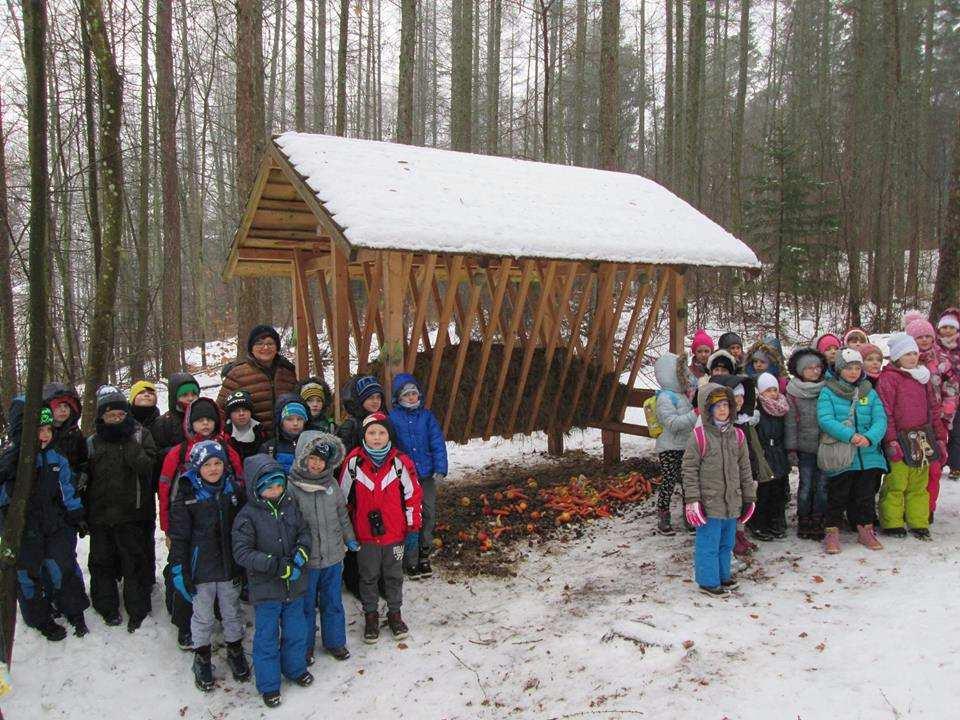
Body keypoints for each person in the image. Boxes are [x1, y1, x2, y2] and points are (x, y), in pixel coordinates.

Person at [158, 397, 243, 649]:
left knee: (224, 575)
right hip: (188, 523)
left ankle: (225, 623)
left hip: (222, 521)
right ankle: (185, 625)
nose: (205, 424)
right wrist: (167, 527)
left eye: (209, 420)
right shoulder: (179, 452)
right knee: (188, 576)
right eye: (199, 420)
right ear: (190, 423)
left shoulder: (227, 449)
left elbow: (240, 481)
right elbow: (165, 489)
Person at [232, 454, 314, 708]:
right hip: (267, 589)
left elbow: (304, 531)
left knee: (296, 631)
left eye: (278, 485)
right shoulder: (247, 517)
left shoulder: (290, 505)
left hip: (295, 586)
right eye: (268, 487)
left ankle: (295, 667)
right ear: (256, 489)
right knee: (267, 637)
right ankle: (268, 684)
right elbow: (243, 552)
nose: (275, 490)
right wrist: (277, 566)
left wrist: (302, 551)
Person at [168, 440, 250, 692]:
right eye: (207, 465)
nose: (213, 469)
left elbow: (243, 527)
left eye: (218, 463)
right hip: (200, 568)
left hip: (228, 566)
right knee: (202, 615)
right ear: (196, 467)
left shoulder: (233, 491)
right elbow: (180, 536)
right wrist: (179, 568)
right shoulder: (187, 494)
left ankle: (235, 648)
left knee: (231, 610)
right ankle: (201, 654)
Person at [3, 404, 90, 640]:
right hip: (25, 528)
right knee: (28, 574)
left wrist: (77, 514)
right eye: (38, 430)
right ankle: (39, 618)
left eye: (48, 430)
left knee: (62, 565)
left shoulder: (55, 457)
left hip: (54, 523)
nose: (45, 435)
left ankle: (73, 609)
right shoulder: (11, 461)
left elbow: (66, 488)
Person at [340, 413, 422, 644]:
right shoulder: (354, 461)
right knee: (368, 577)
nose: (377, 438)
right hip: (365, 535)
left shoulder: (400, 462)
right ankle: (371, 615)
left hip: (394, 533)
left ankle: (395, 613)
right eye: (371, 433)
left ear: (389, 435)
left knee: (394, 575)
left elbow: (413, 495)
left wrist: (412, 527)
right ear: (363, 435)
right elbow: (342, 499)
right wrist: (346, 533)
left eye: (381, 433)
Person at [85, 386, 157, 632]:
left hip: (132, 514)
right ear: (101, 417)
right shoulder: (93, 442)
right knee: (101, 562)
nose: (115, 419)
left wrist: (130, 446)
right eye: (109, 415)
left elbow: (149, 466)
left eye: (119, 414)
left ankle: (138, 610)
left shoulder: (140, 435)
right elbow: (87, 478)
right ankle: (107, 607)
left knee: (134, 562)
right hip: (101, 515)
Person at [287, 432, 356, 665]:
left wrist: (349, 538)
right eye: (312, 458)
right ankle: (305, 646)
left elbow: (341, 514)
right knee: (305, 606)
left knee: (333, 602)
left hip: (334, 556)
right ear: (302, 458)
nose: (317, 464)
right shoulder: (292, 487)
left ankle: (335, 641)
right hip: (307, 560)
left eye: (322, 460)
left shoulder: (332, 484)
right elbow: (288, 525)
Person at [681, 384, 755, 597]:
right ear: (707, 409)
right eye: (717, 406)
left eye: (726, 405)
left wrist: (749, 497)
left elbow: (745, 468)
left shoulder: (738, 436)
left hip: (731, 502)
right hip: (709, 503)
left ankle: (723, 575)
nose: (723, 410)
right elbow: (689, 469)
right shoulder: (699, 437)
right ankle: (708, 580)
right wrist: (693, 500)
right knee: (708, 543)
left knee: (727, 542)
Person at [876, 333, 948, 540]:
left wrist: (939, 437)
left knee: (919, 483)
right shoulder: (889, 378)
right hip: (899, 438)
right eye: (907, 354)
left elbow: (933, 408)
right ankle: (892, 521)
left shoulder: (923, 377)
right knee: (897, 483)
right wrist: (890, 439)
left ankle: (918, 520)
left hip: (922, 438)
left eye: (915, 353)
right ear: (897, 356)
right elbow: (886, 411)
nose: (912, 358)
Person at [817, 348, 888, 553]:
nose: (854, 372)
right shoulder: (828, 392)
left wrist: (870, 438)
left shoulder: (869, 391)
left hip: (868, 454)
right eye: (849, 368)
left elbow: (880, 419)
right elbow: (825, 419)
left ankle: (865, 531)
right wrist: (849, 435)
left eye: (857, 367)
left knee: (865, 496)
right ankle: (832, 533)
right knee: (838, 496)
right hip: (842, 454)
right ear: (839, 369)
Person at [388, 373, 448, 578]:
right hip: (405, 478)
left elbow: (437, 443)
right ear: (399, 397)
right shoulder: (393, 418)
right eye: (407, 394)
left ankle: (425, 554)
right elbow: (392, 447)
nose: (412, 397)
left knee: (429, 513)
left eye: (414, 393)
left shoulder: (427, 417)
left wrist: (440, 468)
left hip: (427, 475)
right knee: (410, 517)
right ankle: (410, 559)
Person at [906, 316, 954, 520]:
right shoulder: (905, 359)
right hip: (910, 423)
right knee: (912, 470)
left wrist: (945, 414)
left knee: (934, 468)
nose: (924, 340)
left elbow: (951, 390)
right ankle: (907, 507)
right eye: (919, 337)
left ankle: (928, 507)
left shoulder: (942, 361)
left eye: (927, 336)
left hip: (935, 422)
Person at [218, 325, 298, 437]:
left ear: (277, 347)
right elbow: (220, 411)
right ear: (251, 348)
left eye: (270, 343)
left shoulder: (288, 372)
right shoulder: (237, 374)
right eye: (259, 343)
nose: (265, 348)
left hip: (285, 440)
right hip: (251, 442)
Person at [785, 347, 829, 540]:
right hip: (804, 449)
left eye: (818, 367)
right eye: (809, 368)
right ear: (801, 370)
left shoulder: (827, 389)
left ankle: (819, 517)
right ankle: (804, 518)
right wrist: (791, 448)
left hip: (825, 447)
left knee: (822, 486)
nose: (815, 371)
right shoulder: (793, 393)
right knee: (805, 485)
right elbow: (790, 424)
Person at [652, 353, 697, 535]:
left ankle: (689, 517)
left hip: (685, 446)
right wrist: (695, 414)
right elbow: (672, 424)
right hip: (670, 448)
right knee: (668, 482)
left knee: (688, 483)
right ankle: (663, 516)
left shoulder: (682, 396)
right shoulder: (665, 398)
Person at [749, 373, 790, 541]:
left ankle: (777, 520)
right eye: (768, 390)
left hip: (779, 453)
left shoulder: (782, 408)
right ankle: (759, 522)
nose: (772, 394)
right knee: (764, 491)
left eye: (775, 390)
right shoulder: (757, 410)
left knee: (779, 491)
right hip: (764, 453)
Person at [128, 380, 161, 584]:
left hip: (153, 480)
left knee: (148, 528)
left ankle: (147, 576)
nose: (147, 395)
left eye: (151, 392)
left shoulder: (159, 421)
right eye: (142, 393)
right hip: (132, 485)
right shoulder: (126, 423)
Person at [41, 383, 88, 498]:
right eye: (58, 406)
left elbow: (83, 459)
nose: (63, 410)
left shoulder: (75, 432)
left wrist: (82, 474)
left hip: (72, 485)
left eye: (66, 407)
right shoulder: (43, 434)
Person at [936, 308, 960, 480]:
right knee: (941, 428)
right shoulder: (935, 347)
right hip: (940, 395)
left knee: (957, 432)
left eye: (951, 327)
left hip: (957, 396)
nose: (947, 331)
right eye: (944, 327)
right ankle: (940, 459)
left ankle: (956, 464)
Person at [336, 375, 387, 451]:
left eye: (378, 397)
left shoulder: (385, 421)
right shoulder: (351, 426)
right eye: (370, 397)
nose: (375, 401)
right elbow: (341, 454)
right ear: (361, 400)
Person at [223, 389, 268, 462]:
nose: (241, 414)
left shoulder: (260, 431)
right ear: (229, 415)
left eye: (245, 409)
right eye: (236, 411)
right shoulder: (225, 436)